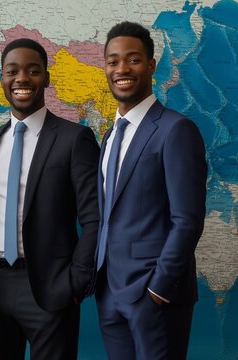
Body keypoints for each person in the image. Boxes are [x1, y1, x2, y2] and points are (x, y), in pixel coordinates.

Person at [0, 38, 100, 359]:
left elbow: (95, 217)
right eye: (11, 71)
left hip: (50, 287)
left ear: (46, 77)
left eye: (33, 70)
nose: (22, 79)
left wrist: (76, 282)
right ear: (1, 78)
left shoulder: (75, 139)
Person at [95, 21, 207, 360]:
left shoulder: (176, 130)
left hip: (155, 295)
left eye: (133, 59)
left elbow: (187, 219)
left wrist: (158, 288)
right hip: (110, 291)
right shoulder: (110, 135)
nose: (122, 69)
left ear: (152, 65)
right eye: (113, 61)